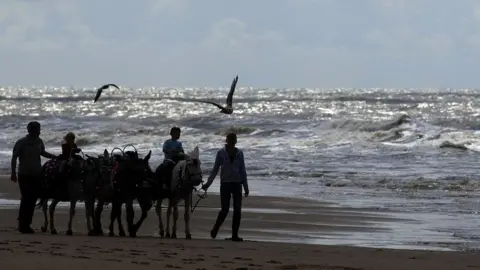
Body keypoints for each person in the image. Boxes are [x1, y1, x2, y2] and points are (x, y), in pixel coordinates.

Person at [11, 121, 57, 234]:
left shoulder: (39, 142)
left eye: (38, 129)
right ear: (30, 130)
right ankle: (23, 225)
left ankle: (26, 224)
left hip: (37, 174)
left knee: (32, 199)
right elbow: (14, 157)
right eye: (36, 129)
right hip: (24, 174)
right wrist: (13, 173)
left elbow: (43, 152)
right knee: (26, 197)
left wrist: (54, 157)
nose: (38, 132)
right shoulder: (22, 142)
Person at [202, 132, 249, 242]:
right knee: (225, 209)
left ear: (236, 141)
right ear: (226, 140)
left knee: (237, 210)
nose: (233, 141)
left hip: (237, 183)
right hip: (225, 184)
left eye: (234, 139)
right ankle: (215, 228)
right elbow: (215, 170)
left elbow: (243, 170)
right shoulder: (221, 153)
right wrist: (208, 184)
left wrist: (245, 186)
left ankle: (234, 235)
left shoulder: (240, 153)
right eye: (231, 139)